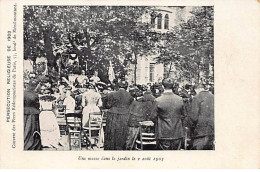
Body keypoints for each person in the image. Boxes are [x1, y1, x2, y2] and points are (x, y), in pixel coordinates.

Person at [151, 78, 185, 150]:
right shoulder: (180, 99)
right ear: (173, 86)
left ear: (163, 87)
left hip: (163, 133)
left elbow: (153, 117)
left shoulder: (158, 100)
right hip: (177, 133)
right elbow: (184, 115)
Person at [104, 80, 134, 150]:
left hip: (112, 115)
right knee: (121, 133)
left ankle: (110, 148)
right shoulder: (130, 96)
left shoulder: (111, 94)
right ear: (126, 87)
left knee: (111, 132)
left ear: (118, 86)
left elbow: (106, 105)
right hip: (124, 115)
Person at [188, 83, 214, 150]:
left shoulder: (196, 98)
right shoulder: (213, 96)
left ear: (197, 89)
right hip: (211, 129)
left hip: (200, 131)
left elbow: (194, 117)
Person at [24, 81, 41, 150]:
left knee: (25, 127)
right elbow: (37, 104)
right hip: (33, 113)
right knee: (33, 129)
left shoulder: (23, 93)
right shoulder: (35, 94)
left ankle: (25, 142)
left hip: (24, 112)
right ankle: (33, 143)